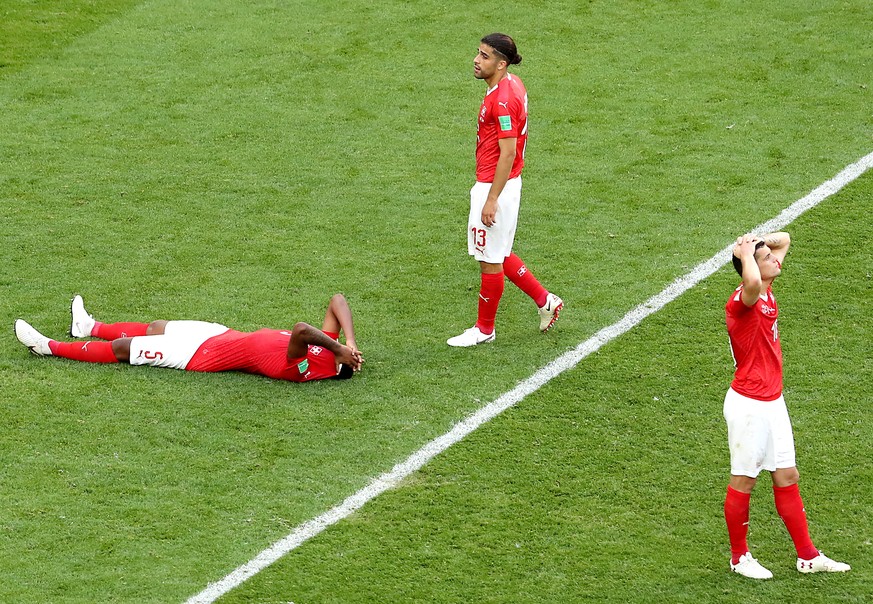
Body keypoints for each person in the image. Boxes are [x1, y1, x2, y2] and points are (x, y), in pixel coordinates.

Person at [723, 232, 849, 579]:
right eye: (766, 259)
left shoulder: (765, 289)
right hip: (748, 405)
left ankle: (807, 556)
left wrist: (755, 242)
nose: (775, 260)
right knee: (744, 480)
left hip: (772, 402)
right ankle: (739, 557)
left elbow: (785, 240)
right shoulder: (744, 299)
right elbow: (750, 278)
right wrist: (748, 254)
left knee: (787, 475)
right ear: (752, 267)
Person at [447, 33, 563, 347]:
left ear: (501, 63)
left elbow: (508, 152)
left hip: (495, 185)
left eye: (484, 56)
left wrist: (491, 199)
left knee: (489, 258)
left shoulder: (501, 101)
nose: (476, 59)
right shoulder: (513, 84)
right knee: (499, 251)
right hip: (505, 183)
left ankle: (485, 329)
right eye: (477, 53)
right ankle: (545, 301)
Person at [15, 293, 363, 382]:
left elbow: (303, 329)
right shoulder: (329, 352)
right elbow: (337, 301)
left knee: (123, 350)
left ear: (335, 368)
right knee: (156, 326)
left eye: (339, 357)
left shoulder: (304, 369)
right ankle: (88, 328)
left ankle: (48, 347)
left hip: (200, 356)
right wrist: (351, 342)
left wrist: (337, 348)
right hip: (220, 335)